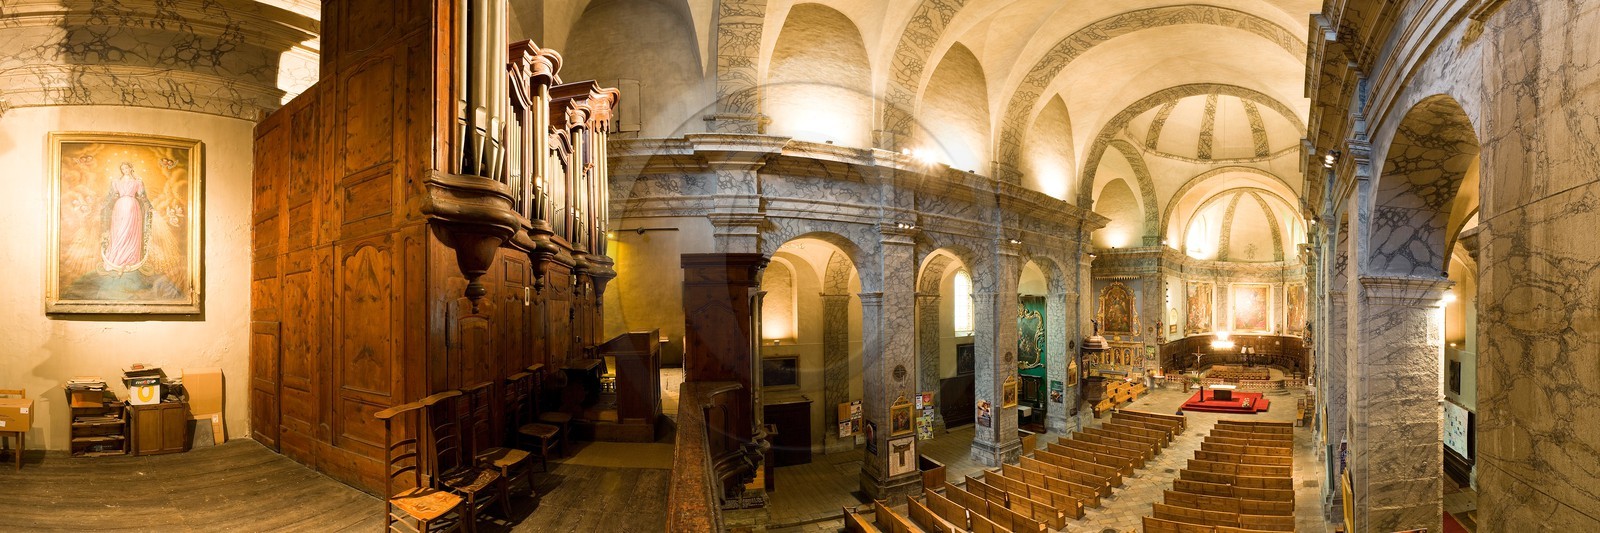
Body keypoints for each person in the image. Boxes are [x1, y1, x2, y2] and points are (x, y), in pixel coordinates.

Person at [101, 162, 152, 273]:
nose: (125, 170)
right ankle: (117, 258)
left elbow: (142, 196)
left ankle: (130, 258)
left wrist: (150, 206)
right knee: (119, 231)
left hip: (133, 206)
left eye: (126, 168)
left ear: (131, 168)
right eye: (122, 169)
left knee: (131, 231)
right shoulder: (116, 182)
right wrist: (103, 205)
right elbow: (112, 195)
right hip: (119, 206)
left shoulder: (137, 181)